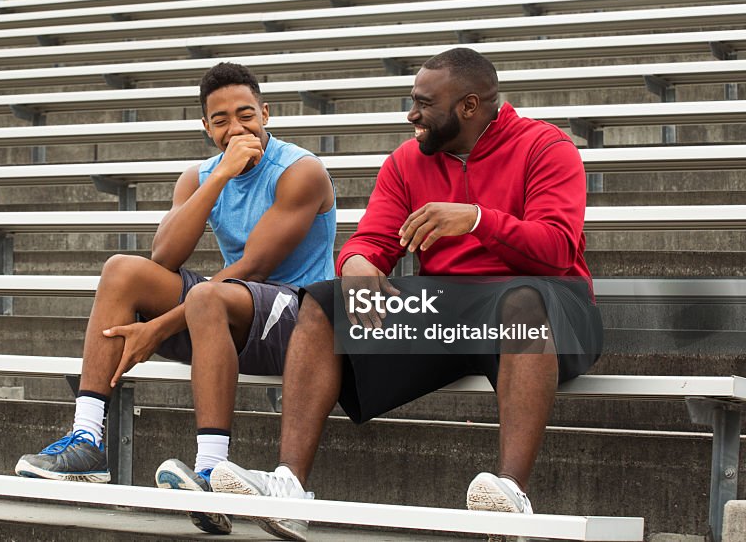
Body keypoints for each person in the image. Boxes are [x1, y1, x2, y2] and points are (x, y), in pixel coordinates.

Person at [209, 47, 603, 541]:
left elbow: (558, 247)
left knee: (521, 300)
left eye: (423, 104)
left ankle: (511, 496)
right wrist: (355, 265)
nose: (411, 114)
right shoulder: (407, 160)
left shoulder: (546, 147)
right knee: (325, 301)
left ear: (469, 106)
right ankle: (288, 488)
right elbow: (372, 241)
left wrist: (477, 219)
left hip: (551, 305)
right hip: (450, 308)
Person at [14, 61, 337, 536]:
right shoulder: (202, 175)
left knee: (207, 296)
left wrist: (161, 326)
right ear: (206, 128)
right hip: (231, 309)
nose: (236, 128)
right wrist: (220, 176)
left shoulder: (300, 171)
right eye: (221, 120)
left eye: (246, 115)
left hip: (301, 319)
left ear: (266, 113)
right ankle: (87, 440)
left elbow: (255, 269)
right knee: (122, 271)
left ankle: (210, 471)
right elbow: (164, 254)